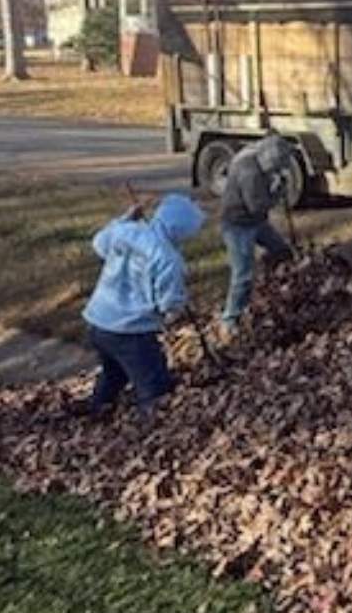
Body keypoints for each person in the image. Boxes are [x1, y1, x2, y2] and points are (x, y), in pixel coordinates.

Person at [79, 192, 205, 420]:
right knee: (153, 382)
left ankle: (97, 412)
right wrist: (174, 313)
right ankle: (153, 427)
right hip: (129, 331)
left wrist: (127, 217)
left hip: (98, 322)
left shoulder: (126, 231)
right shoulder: (168, 258)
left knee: (114, 373)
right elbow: (170, 302)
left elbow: (99, 243)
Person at [220, 133, 297, 335]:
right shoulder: (250, 173)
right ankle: (230, 319)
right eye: (277, 166)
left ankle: (272, 289)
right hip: (239, 225)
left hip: (257, 222)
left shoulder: (255, 154)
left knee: (281, 251)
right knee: (242, 274)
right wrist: (277, 192)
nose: (278, 170)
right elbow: (257, 206)